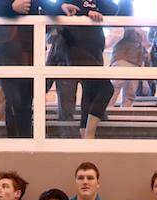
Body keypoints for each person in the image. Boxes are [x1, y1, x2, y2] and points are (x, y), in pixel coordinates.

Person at [43, 0, 121, 139]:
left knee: (90, 92)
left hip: (94, 51)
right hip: (73, 49)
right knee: (104, 89)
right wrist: (86, 13)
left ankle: (85, 134)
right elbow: (54, 9)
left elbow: (113, 9)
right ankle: (83, 136)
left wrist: (93, 10)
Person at [0, 0, 37, 138]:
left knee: (24, 102)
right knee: (9, 99)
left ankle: (23, 141)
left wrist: (61, 7)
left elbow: (42, 5)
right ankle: (8, 142)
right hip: (4, 48)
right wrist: (11, 7)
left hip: (27, 47)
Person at [108, 3, 149, 109]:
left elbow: (144, 48)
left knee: (130, 93)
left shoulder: (137, 27)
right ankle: (106, 111)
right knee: (115, 87)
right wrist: (133, 29)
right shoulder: (121, 23)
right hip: (122, 59)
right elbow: (117, 34)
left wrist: (144, 39)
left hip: (136, 62)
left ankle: (125, 112)